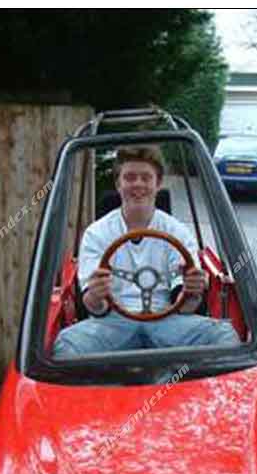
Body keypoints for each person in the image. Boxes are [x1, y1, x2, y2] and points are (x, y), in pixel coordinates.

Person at [52, 145, 240, 358]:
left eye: (146, 178)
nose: (138, 184)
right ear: (118, 184)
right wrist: (95, 294)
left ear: (158, 184)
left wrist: (192, 292)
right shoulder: (96, 233)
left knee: (224, 334)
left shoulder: (177, 231)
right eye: (130, 177)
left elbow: (186, 308)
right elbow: (95, 308)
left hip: (167, 319)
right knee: (66, 344)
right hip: (112, 323)